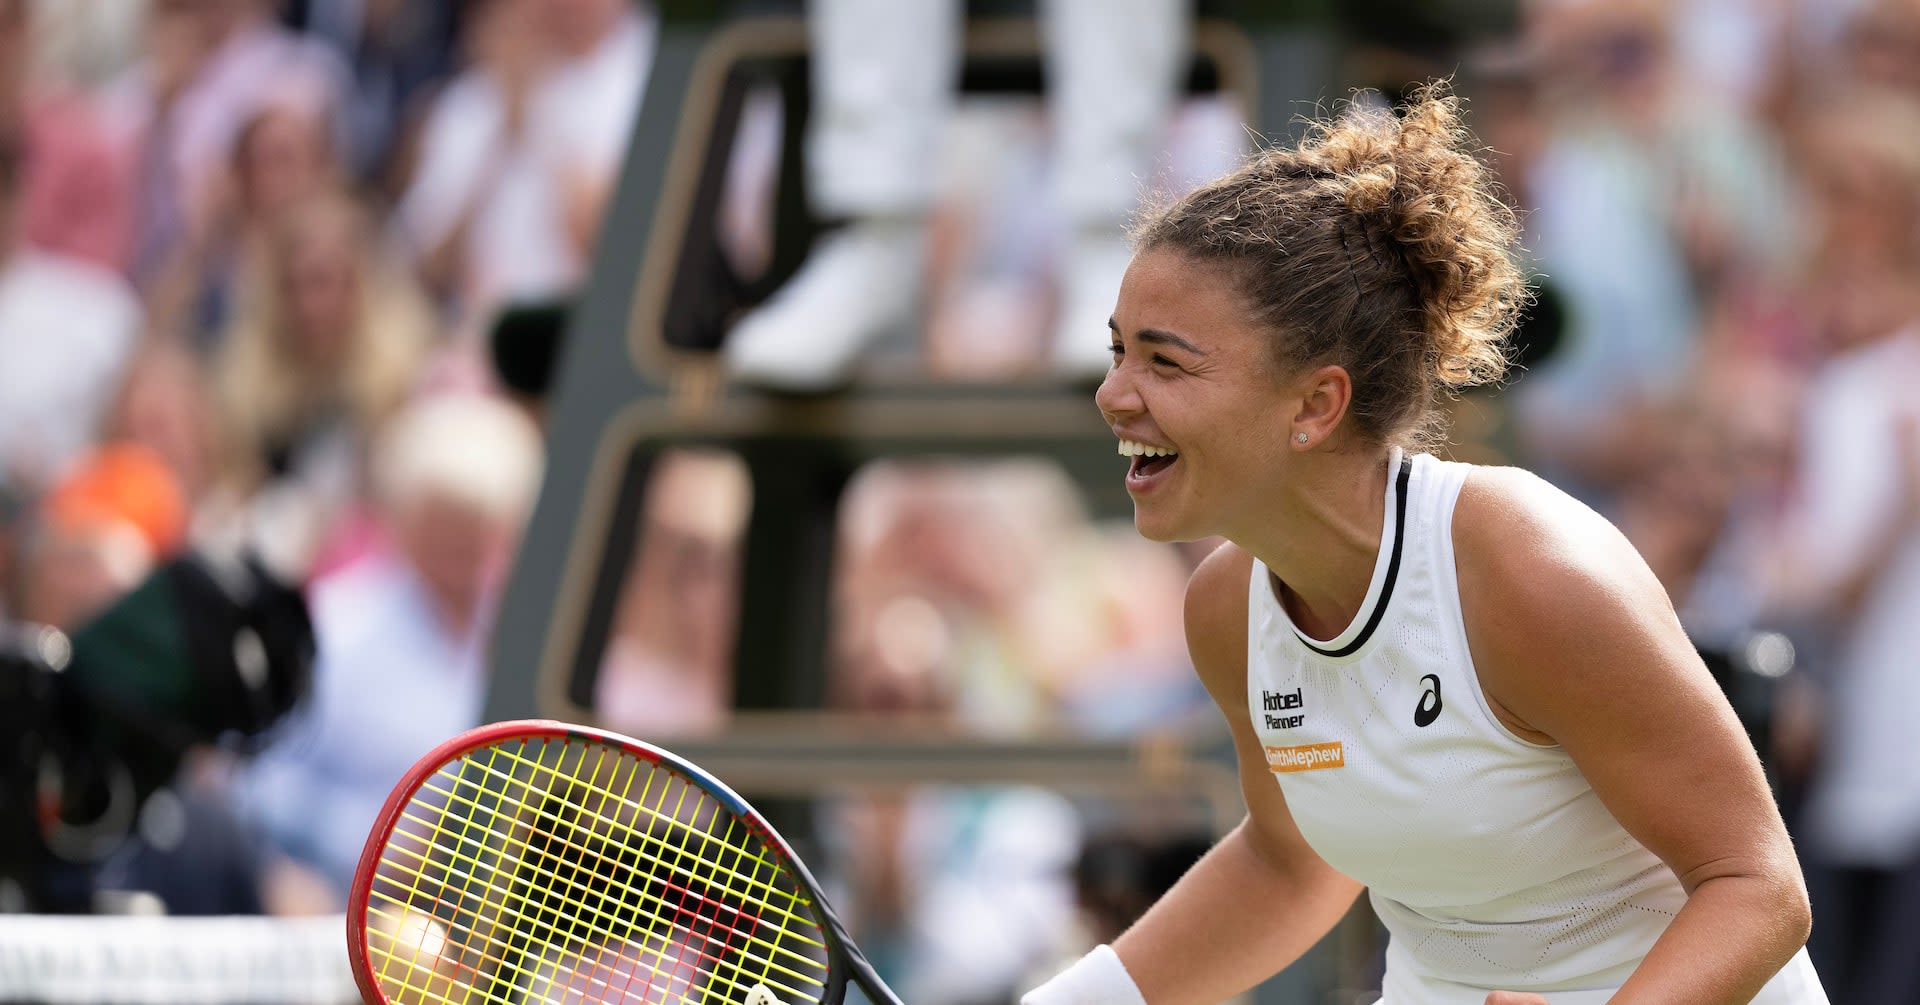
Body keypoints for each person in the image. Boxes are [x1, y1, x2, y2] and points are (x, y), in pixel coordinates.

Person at [1021, 84, 1827, 1005]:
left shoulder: (1530, 573)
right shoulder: (1224, 610)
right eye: (1117, 350)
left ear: (1316, 405)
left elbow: (1757, 887)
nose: (1113, 394)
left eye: (1164, 361)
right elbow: (1291, 865)